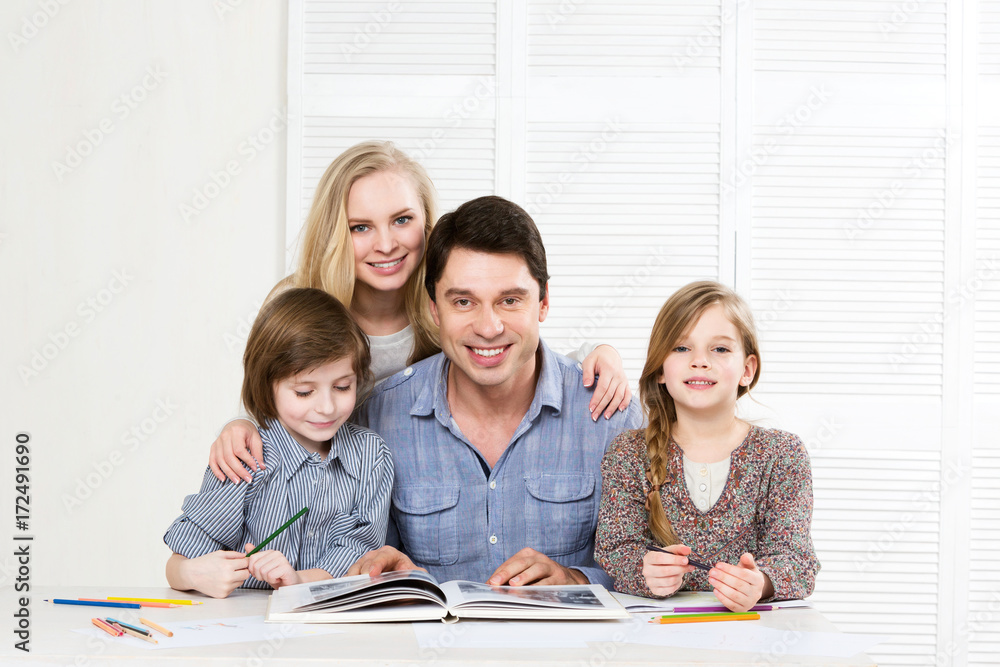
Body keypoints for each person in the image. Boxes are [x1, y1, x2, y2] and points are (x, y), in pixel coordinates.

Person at [208, 141, 631, 485]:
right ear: (336, 232)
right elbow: (271, 396)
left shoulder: (450, 303)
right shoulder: (302, 304)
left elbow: (512, 343)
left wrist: (599, 351)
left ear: (426, 221)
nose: (387, 244)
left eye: (402, 220)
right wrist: (239, 425)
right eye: (361, 227)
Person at [347, 196, 644, 589]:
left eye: (509, 300)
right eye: (464, 301)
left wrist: (576, 579)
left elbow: (659, 563)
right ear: (435, 310)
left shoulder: (614, 417)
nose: (489, 328)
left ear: (543, 302)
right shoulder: (377, 417)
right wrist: (382, 570)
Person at [594, 281, 819, 612]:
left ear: (747, 370)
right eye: (682, 348)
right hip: (655, 636)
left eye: (720, 349)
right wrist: (645, 573)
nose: (700, 361)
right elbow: (615, 550)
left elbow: (797, 559)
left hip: (752, 637)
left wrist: (761, 583)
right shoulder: (627, 453)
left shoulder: (782, 454)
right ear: (660, 369)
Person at [164, 288, 393, 598]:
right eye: (304, 392)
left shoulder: (371, 455)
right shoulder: (245, 455)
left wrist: (296, 581)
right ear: (267, 385)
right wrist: (195, 573)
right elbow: (178, 563)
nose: (326, 407)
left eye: (342, 387)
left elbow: (358, 552)